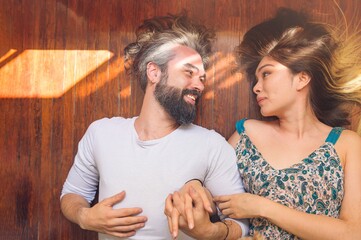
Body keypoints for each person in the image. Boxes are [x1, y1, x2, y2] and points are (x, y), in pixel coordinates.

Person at [60, 14, 248, 239]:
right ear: (154, 72)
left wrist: (211, 232)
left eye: (202, 78)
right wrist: (84, 216)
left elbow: (240, 221)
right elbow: (72, 193)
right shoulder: (101, 133)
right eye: (189, 72)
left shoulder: (211, 145)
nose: (198, 85)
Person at [212, 8, 361, 239]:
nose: (256, 87)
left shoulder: (346, 144)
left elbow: (353, 232)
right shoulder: (246, 134)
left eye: (267, 74)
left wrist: (263, 207)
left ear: (302, 78)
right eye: (256, 78)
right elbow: (213, 201)